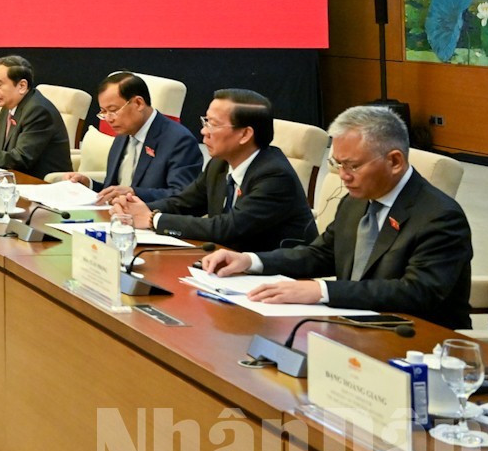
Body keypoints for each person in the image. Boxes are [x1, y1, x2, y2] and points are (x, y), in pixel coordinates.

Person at [197, 104, 472, 328]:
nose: (343, 176)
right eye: (337, 164)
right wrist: (250, 260)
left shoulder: (440, 217)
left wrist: (322, 291)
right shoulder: (354, 202)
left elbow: (415, 292)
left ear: (395, 161)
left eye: (353, 165)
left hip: (416, 338)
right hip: (351, 326)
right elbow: (320, 254)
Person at [111, 89, 316, 252]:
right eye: (205, 121)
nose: (204, 131)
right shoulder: (220, 164)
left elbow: (227, 228)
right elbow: (184, 203)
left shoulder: (274, 175)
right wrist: (134, 208)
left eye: (213, 124)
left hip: (278, 276)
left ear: (245, 134)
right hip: (227, 264)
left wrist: (151, 218)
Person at [61, 72, 202, 205]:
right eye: (104, 112)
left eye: (113, 110)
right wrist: (89, 184)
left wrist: (134, 193)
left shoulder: (178, 140)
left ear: (138, 103)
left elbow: (183, 196)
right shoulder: (123, 135)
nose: (108, 119)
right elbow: (114, 189)